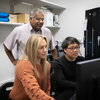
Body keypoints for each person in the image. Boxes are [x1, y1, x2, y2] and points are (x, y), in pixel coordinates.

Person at [9, 34, 55, 100]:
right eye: (41, 47)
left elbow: (47, 87)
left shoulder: (46, 64)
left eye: (46, 46)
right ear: (32, 49)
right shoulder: (23, 65)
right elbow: (33, 90)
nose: (45, 50)